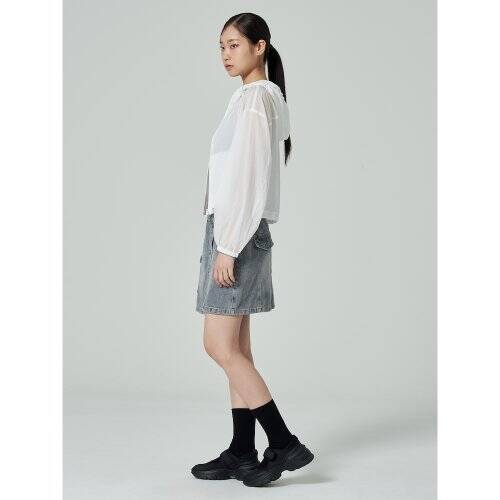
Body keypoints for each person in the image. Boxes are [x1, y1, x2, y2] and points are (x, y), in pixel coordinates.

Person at [192, 13, 314, 488]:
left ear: (259, 46)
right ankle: (243, 450)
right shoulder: (254, 97)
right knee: (238, 348)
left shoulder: (256, 99)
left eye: (234, 44)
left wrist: (227, 245)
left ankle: (283, 442)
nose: (225, 54)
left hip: (235, 233)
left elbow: (247, 180)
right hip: (236, 230)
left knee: (218, 346)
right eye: (220, 46)